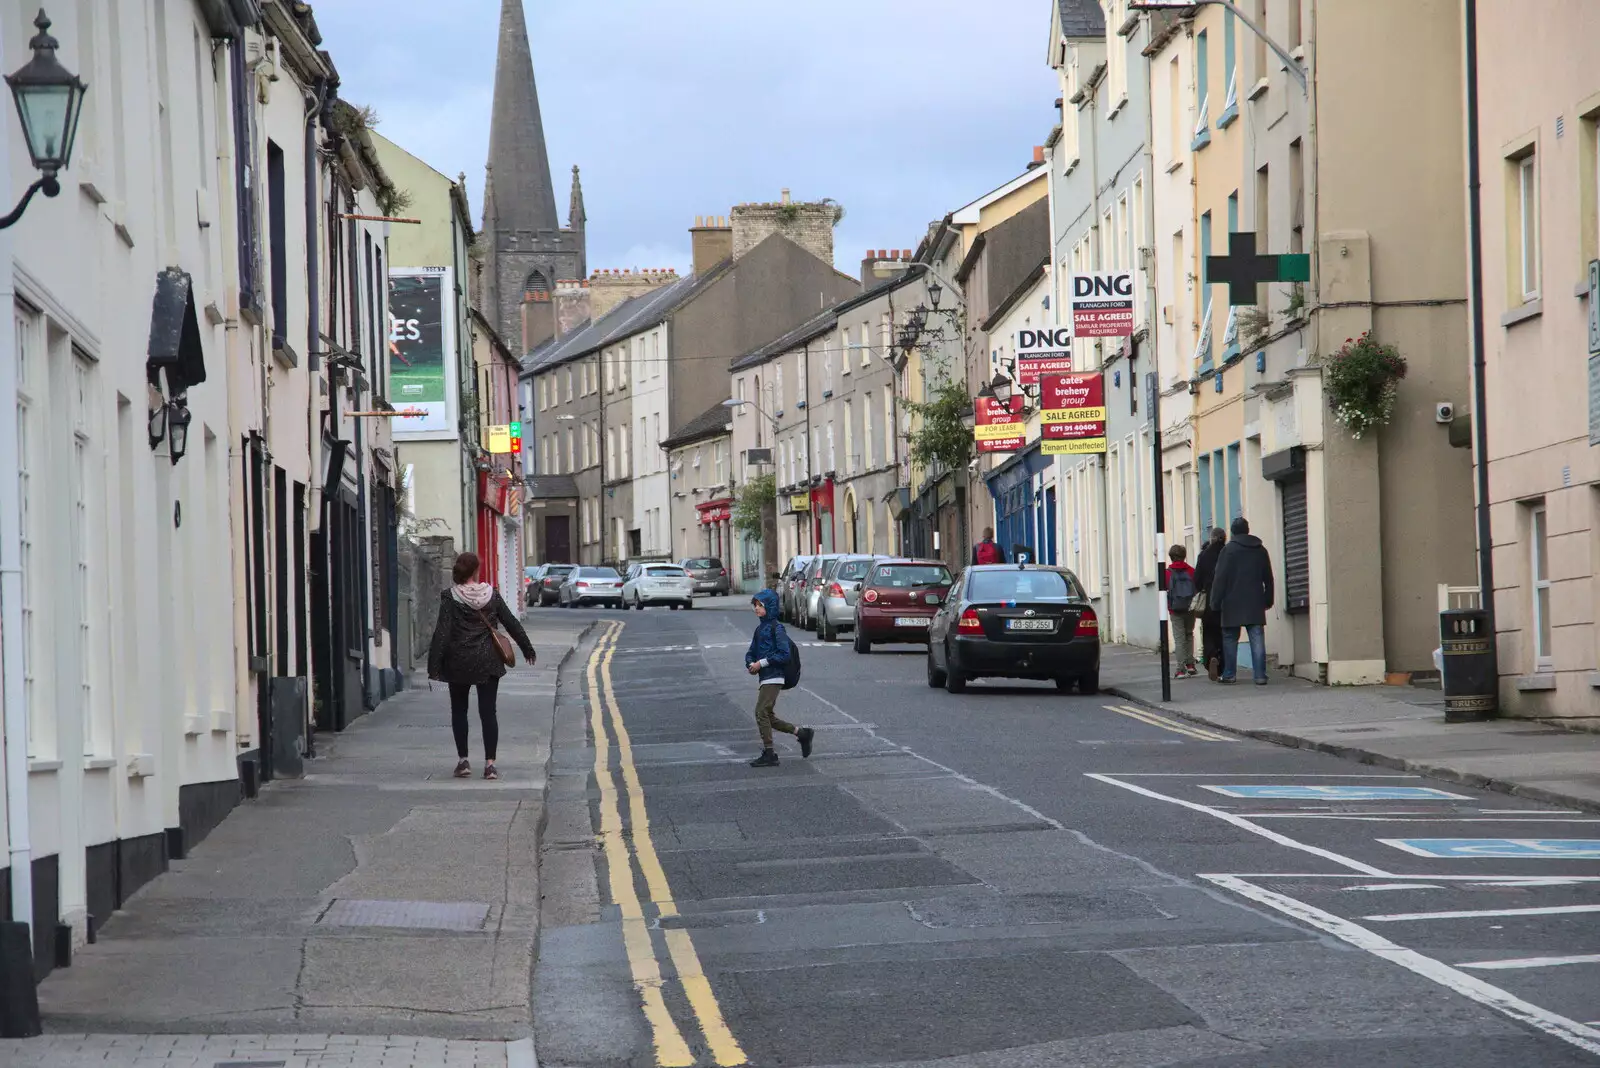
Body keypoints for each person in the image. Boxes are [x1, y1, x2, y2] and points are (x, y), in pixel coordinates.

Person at [427, 552, 536, 779]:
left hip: (458, 661)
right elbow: (511, 623)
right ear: (476, 571)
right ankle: (490, 765)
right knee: (488, 712)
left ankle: (463, 761)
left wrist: (434, 666)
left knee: (459, 711)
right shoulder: (491, 595)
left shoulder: (450, 597)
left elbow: (442, 632)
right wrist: (527, 648)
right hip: (488, 660)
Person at [744, 588, 814, 767]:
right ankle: (802, 733)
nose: (756, 609)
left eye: (760, 605)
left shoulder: (777, 628)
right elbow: (751, 651)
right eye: (755, 605)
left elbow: (784, 654)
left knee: (760, 712)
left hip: (775, 676)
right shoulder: (760, 629)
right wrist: (750, 663)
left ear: (771, 607)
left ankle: (770, 753)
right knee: (768, 716)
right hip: (765, 675)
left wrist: (762, 663)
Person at [1211, 517, 1275, 686]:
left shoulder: (1228, 551)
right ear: (1247, 530)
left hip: (1231, 602)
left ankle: (1230, 674)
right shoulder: (1261, 550)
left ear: (1232, 531)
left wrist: (1215, 602)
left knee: (1230, 639)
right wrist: (1268, 599)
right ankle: (1260, 675)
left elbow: (1220, 579)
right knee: (1257, 638)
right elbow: (1268, 578)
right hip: (1254, 601)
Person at [1193, 527, 1226, 680]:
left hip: (1209, 600)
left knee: (1208, 632)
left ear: (1212, 539)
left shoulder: (1203, 556)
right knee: (1225, 633)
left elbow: (1197, 580)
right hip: (1226, 599)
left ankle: (1211, 657)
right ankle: (1223, 665)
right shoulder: (1227, 553)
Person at [1165, 544, 1199, 677]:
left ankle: (1180, 669)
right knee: (1189, 634)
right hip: (1190, 608)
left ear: (1171, 557)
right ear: (1184, 556)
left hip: (1175, 609)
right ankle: (1190, 664)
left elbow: (1164, 592)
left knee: (1179, 639)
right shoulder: (1191, 571)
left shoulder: (1167, 573)